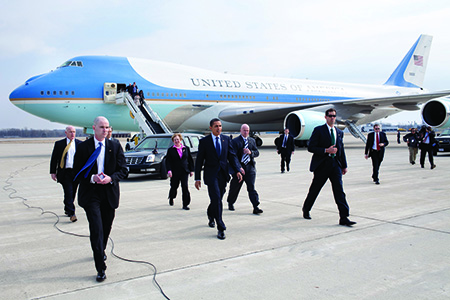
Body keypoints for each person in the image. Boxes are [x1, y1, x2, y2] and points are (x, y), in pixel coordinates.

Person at [73, 116, 128, 282]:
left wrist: (110, 178)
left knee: (106, 227)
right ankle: (100, 268)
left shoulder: (115, 145)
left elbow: (123, 170)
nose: (105, 130)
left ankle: (100, 250)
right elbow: (77, 171)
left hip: (109, 192)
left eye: (107, 127)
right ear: (94, 128)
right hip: (91, 194)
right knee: (96, 228)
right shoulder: (84, 147)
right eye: (101, 127)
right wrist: (92, 178)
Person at [302, 108, 356, 227]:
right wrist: (326, 150)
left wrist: (344, 165)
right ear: (325, 117)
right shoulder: (318, 130)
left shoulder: (339, 132)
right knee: (315, 189)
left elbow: (341, 150)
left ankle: (344, 217)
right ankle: (306, 209)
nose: (332, 118)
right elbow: (311, 147)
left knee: (339, 192)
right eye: (330, 116)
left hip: (335, 165)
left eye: (334, 116)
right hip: (322, 165)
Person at [195, 118, 243, 240]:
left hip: (223, 174)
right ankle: (220, 227)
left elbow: (232, 156)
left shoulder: (226, 139)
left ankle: (211, 214)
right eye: (216, 126)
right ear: (211, 128)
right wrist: (197, 178)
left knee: (218, 198)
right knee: (216, 198)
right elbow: (199, 160)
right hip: (211, 174)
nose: (219, 128)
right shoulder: (204, 141)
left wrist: (237, 169)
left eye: (220, 126)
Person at [226, 124, 263, 214]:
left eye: (247, 130)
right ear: (240, 131)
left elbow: (257, 152)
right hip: (239, 167)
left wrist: (251, 153)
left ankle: (255, 206)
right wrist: (238, 168)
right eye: (244, 130)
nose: (246, 132)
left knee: (251, 187)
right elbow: (233, 156)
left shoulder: (252, 141)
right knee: (235, 187)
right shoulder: (235, 141)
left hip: (250, 167)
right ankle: (230, 202)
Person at [50, 126, 82, 222]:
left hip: (75, 172)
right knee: (68, 192)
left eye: (74, 132)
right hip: (65, 172)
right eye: (70, 132)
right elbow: (54, 159)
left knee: (73, 193)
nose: (72, 134)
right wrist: (53, 172)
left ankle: (67, 209)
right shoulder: (59, 144)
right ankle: (72, 213)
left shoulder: (80, 144)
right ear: (66, 133)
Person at [166, 133, 194, 210]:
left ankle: (185, 204)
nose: (176, 141)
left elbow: (190, 160)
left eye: (178, 139)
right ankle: (171, 197)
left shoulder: (186, 148)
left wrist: (191, 170)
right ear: (173, 141)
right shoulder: (171, 150)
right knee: (174, 186)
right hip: (175, 171)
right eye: (175, 140)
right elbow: (168, 161)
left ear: (180, 140)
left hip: (184, 171)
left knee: (185, 187)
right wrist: (169, 170)